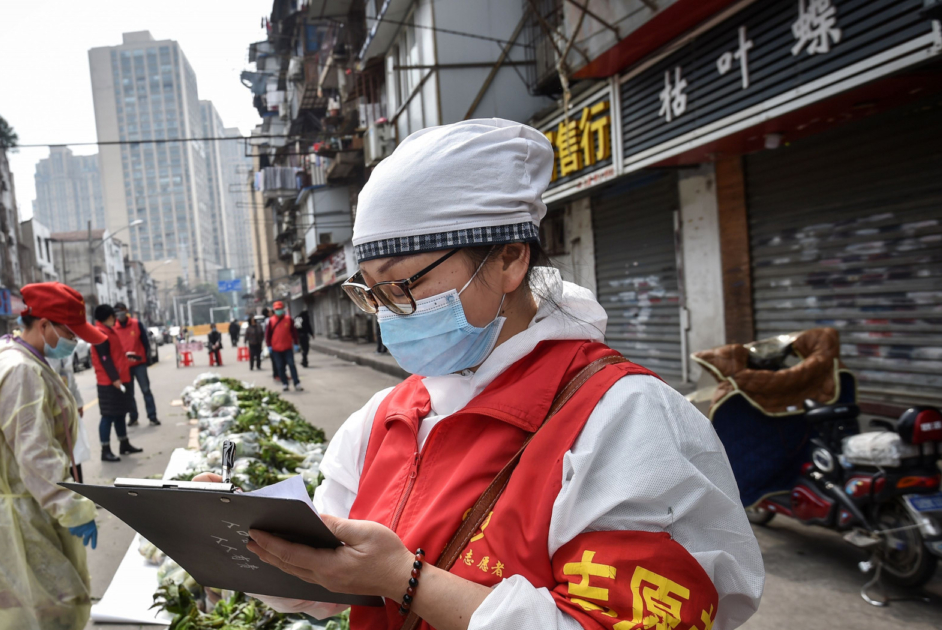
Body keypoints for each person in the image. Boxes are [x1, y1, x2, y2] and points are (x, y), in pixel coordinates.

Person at [199, 119, 762, 630]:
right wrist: (255, 538)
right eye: (372, 292)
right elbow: (338, 578)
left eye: (406, 285)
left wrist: (405, 579)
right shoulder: (384, 419)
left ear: (509, 260)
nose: (389, 313)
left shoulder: (626, 419)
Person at [0, 282, 103, 630]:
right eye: (70, 332)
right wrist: (71, 507)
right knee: (49, 611)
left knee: (31, 611)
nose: (74, 342)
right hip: (17, 513)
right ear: (44, 324)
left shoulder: (12, 356)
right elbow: (35, 453)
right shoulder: (21, 371)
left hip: (12, 507)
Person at [91, 304, 144, 461]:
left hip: (120, 378)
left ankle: (124, 443)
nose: (116, 319)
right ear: (109, 317)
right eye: (114, 316)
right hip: (109, 382)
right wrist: (114, 378)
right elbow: (104, 359)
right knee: (108, 416)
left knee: (120, 413)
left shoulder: (108, 331)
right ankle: (105, 450)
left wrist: (125, 355)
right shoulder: (100, 334)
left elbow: (112, 353)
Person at [113, 303, 160, 427]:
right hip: (125, 366)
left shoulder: (136, 324)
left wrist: (146, 357)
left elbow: (145, 342)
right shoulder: (114, 328)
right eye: (117, 312)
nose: (119, 314)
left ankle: (152, 416)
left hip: (139, 364)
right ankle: (133, 417)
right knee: (129, 394)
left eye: (121, 311)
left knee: (146, 390)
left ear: (126, 311)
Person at [48, 352, 90, 483]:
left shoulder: (63, 354)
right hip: (52, 415)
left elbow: (70, 378)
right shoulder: (38, 357)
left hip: (67, 411)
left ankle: (79, 493)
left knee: (74, 458)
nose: (72, 339)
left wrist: (78, 401)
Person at [265, 301, 302, 392]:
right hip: (276, 349)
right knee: (280, 367)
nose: (278, 311)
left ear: (283, 309)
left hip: (287, 348)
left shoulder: (289, 319)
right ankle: (285, 383)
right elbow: (267, 335)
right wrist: (269, 346)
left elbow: (294, 332)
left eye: (279, 309)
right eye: (276, 309)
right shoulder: (271, 321)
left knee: (292, 365)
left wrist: (296, 343)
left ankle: (296, 383)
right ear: (274, 310)